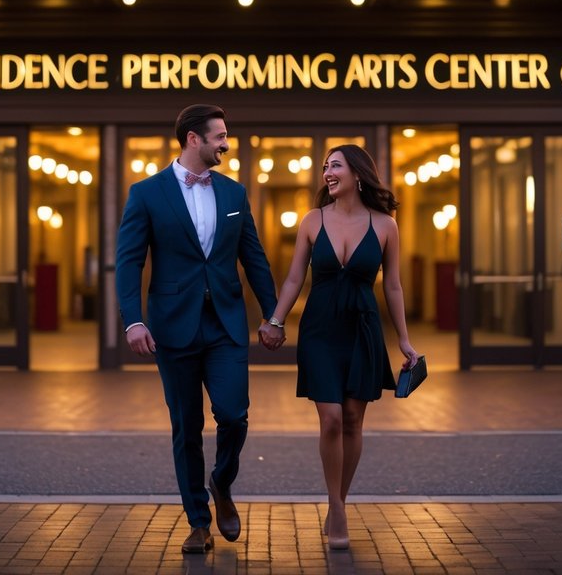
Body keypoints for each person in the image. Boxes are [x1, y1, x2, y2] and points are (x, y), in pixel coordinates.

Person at [115, 104, 284, 555]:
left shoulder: (234, 193)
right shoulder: (146, 193)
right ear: (194, 138)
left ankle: (221, 480)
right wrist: (133, 320)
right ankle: (198, 522)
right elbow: (128, 261)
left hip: (226, 324)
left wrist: (273, 315)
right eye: (220, 136)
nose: (226, 143)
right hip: (174, 327)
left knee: (233, 414)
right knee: (186, 426)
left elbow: (254, 257)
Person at [268, 144, 419, 551]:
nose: (327, 173)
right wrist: (276, 321)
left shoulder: (385, 225)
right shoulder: (312, 220)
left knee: (353, 419)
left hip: (363, 329)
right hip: (319, 329)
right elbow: (294, 279)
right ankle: (336, 507)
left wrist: (404, 339)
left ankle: (339, 500)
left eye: (335, 165)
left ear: (358, 173)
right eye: (325, 167)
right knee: (331, 418)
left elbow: (393, 286)